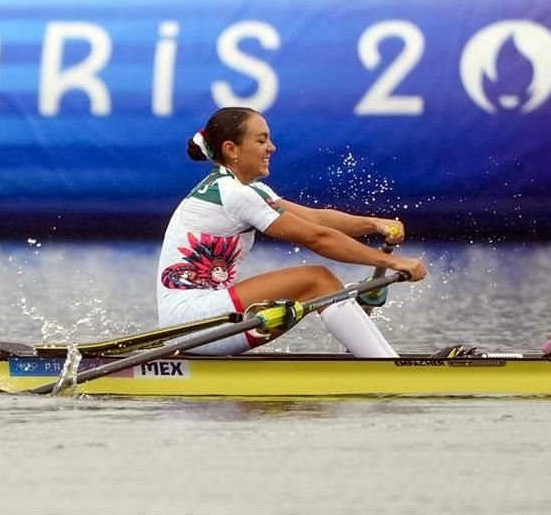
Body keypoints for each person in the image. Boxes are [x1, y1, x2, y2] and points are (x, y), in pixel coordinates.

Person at [156, 106, 427, 357]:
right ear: (231, 149)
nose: (271, 147)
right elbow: (317, 238)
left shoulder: (248, 189)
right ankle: (386, 366)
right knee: (317, 280)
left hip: (206, 316)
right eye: (261, 140)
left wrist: (374, 224)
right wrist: (394, 263)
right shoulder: (234, 194)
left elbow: (316, 219)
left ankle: (385, 361)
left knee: (319, 280)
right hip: (191, 323)